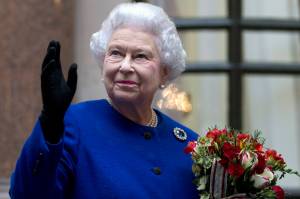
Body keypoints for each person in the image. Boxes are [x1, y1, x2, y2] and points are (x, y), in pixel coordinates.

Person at [9, 2, 199, 199]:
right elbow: (27, 194)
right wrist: (49, 121)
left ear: (164, 72)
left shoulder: (190, 145)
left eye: (140, 56)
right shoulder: (71, 125)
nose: (125, 66)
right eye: (116, 53)